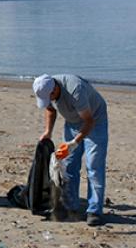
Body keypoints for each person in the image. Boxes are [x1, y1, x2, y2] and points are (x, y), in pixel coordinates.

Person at [33, 74, 108, 226]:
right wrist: (48, 131)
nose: (50, 101)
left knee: (93, 166)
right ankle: (71, 206)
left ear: (55, 90)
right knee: (69, 165)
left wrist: (74, 143)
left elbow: (89, 121)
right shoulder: (46, 86)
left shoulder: (75, 90)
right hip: (72, 123)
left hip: (95, 120)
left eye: (50, 97)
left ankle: (94, 210)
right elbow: (50, 109)